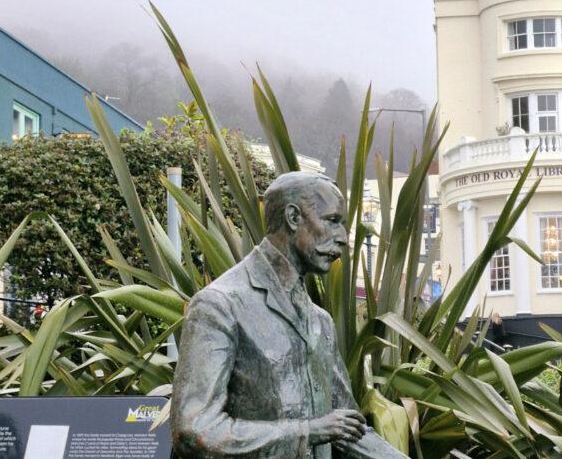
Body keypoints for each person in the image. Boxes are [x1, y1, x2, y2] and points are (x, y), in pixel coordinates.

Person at [171, 172, 407, 459]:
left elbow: (348, 430)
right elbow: (194, 430)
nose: (343, 238)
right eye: (332, 220)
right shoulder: (220, 305)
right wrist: (308, 431)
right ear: (294, 217)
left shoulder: (320, 321)